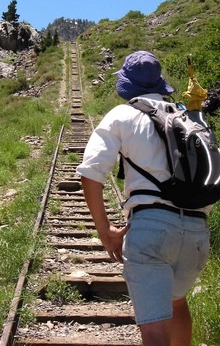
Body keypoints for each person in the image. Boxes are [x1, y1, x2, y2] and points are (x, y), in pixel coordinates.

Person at [76, 51, 211, 346]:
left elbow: (90, 173)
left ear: (127, 85)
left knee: (154, 330)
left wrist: (106, 232)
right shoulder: (185, 116)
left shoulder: (122, 115)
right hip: (197, 230)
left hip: (152, 229)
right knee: (177, 304)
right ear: (160, 84)